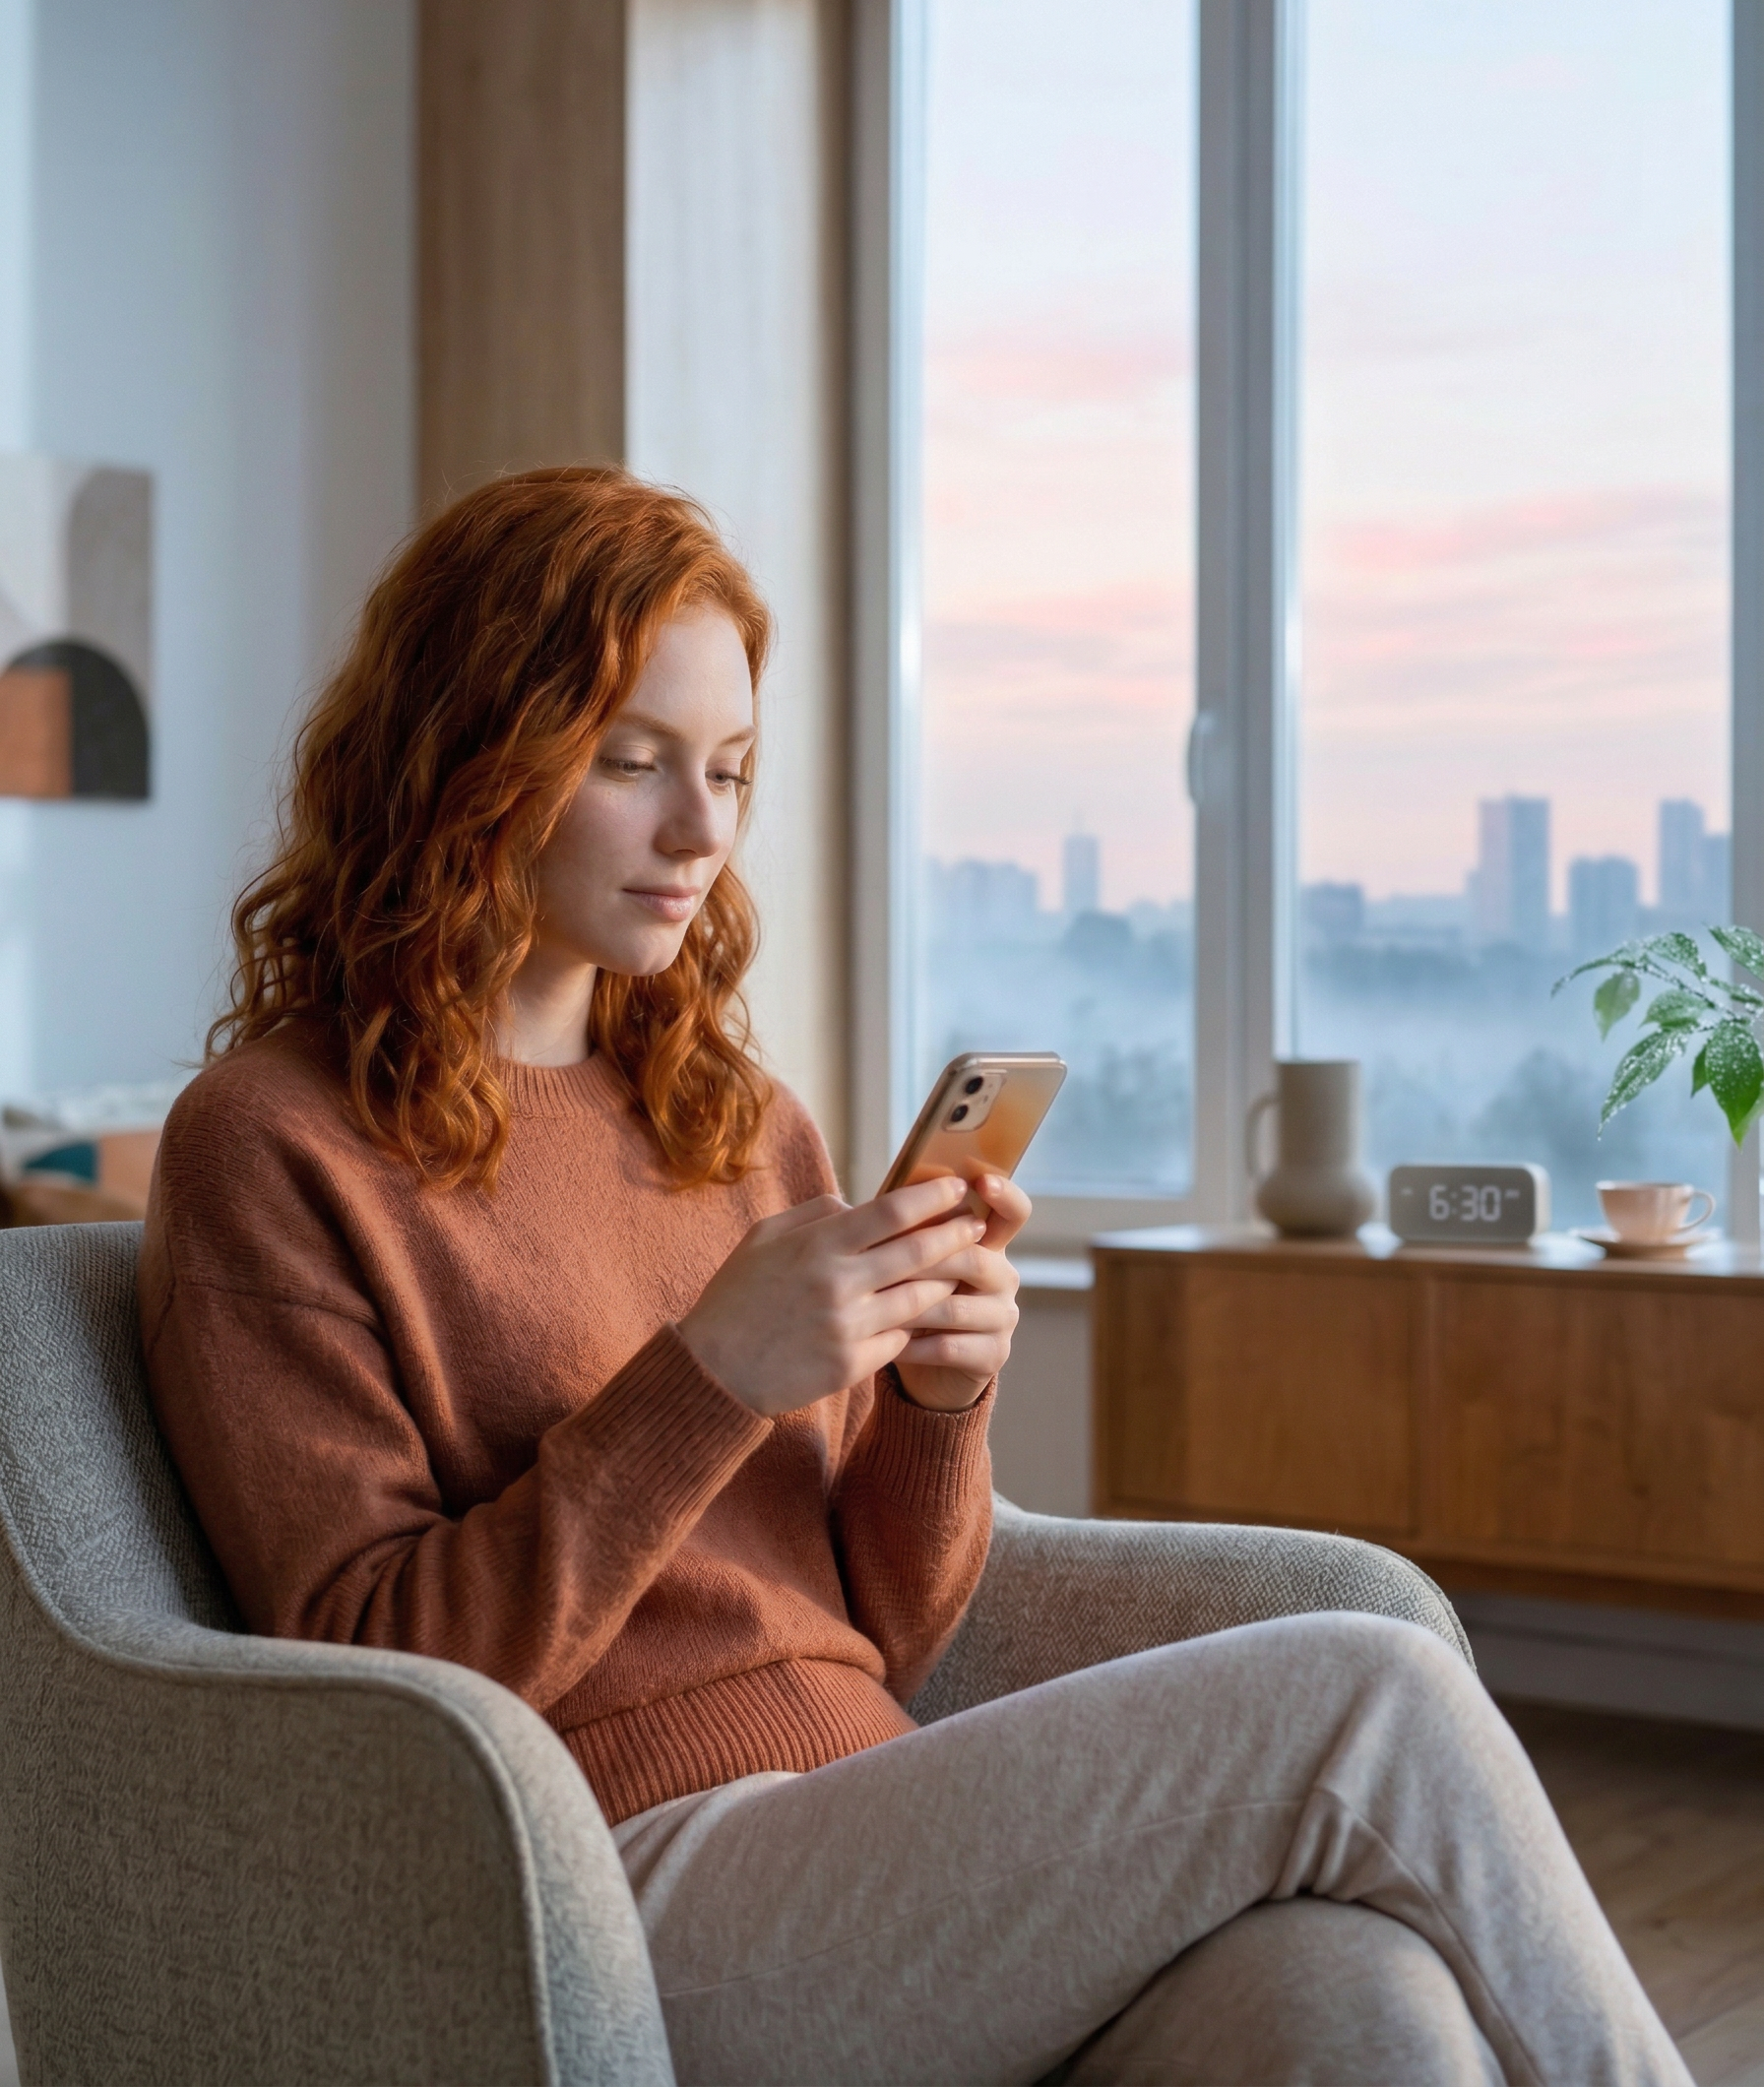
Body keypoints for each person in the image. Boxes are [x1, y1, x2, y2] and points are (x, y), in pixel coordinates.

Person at [141, 467, 1689, 2086]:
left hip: (868, 1831)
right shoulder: (270, 1148)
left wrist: (936, 1409)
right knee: (1374, 1694)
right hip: (595, 1887)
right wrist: (708, 1379)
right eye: (633, 763)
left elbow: (891, 1624)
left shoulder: (730, 1122)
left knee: (1355, 1993)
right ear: (469, 758)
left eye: (731, 770)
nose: (701, 831)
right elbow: (373, 1687)